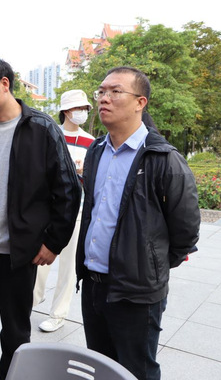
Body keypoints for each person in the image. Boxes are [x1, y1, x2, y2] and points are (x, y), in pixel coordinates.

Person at [0, 57, 81, 380]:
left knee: (15, 329)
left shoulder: (41, 128)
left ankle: (10, 376)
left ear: (5, 84)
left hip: (18, 253)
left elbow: (69, 190)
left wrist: (53, 243)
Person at [76, 66, 201, 380]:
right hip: (93, 283)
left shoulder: (163, 158)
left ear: (140, 102)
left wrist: (149, 265)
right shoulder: (96, 151)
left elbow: (186, 231)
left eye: (115, 91)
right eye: (101, 91)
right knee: (101, 367)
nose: (104, 98)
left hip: (136, 292)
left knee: (137, 371)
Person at [33, 90, 95, 332]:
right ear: (66, 111)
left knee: (69, 267)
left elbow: (95, 180)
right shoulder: (50, 135)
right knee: (39, 259)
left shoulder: (91, 142)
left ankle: (58, 314)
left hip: (77, 210)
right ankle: (32, 298)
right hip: (48, 210)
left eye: (85, 108)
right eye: (79, 108)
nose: (83, 112)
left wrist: (82, 173)